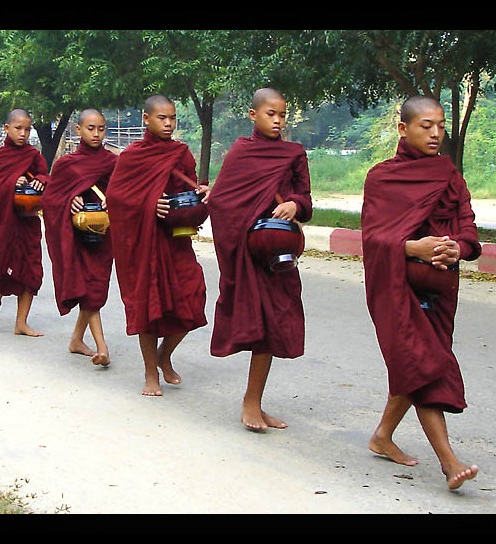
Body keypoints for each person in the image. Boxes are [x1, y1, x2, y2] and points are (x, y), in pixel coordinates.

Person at [361, 94, 481, 491]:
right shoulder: (383, 177)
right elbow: (374, 236)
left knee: (416, 366)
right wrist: (413, 247)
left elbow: (468, 229)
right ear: (403, 129)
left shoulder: (450, 175)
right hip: (398, 289)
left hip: (442, 289)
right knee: (424, 367)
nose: (435, 133)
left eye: (441, 126)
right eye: (425, 126)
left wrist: (456, 248)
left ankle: (382, 435)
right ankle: (450, 462)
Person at [207, 88, 313, 431]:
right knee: (257, 322)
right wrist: (243, 231)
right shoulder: (241, 151)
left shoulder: (294, 153)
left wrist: (295, 204)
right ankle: (251, 403)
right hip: (249, 252)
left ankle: (254, 400)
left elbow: (305, 197)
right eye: (271, 114)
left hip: (279, 253)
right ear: (253, 115)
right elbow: (222, 200)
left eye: (282, 114)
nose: (278, 120)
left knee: (274, 324)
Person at [105, 94, 208, 396]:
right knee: (149, 306)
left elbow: (184, 187)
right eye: (162, 118)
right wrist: (150, 204)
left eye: (172, 118)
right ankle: (151, 372)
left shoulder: (181, 154)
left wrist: (199, 194)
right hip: (144, 242)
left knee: (192, 297)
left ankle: (165, 354)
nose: (168, 123)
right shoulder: (132, 156)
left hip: (175, 240)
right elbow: (116, 198)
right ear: (146, 119)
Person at [44, 108, 117, 364]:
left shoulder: (112, 162)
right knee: (89, 289)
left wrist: (113, 203)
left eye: (101, 129)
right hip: (77, 236)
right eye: (90, 128)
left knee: (96, 287)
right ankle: (102, 347)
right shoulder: (67, 164)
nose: (96, 134)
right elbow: (52, 198)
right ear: (78, 130)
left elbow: (121, 193)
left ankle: (76, 339)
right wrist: (69, 199)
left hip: (104, 235)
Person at [0, 109, 48, 336]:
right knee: (4, 266)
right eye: (18, 128)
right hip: (5, 222)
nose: (23, 134)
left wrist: (38, 181)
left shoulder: (33, 156)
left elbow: (45, 176)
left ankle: (21, 322)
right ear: (6, 128)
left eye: (27, 129)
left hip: (27, 222)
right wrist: (10, 182)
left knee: (31, 269)